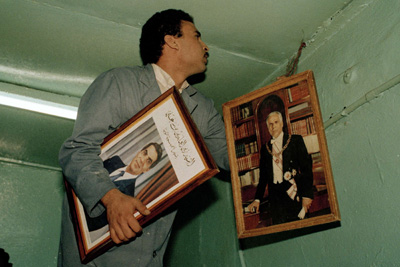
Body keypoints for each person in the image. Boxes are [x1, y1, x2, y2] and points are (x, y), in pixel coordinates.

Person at [58, 9, 229, 266]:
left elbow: (230, 156)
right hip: (96, 258)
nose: (205, 46)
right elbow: (77, 151)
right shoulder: (119, 83)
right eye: (197, 36)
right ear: (172, 40)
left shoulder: (202, 109)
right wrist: (112, 197)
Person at [247, 111, 313, 224]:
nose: (273, 126)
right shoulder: (265, 148)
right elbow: (263, 178)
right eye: (270, 124)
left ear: (282, 124)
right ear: (267, 127)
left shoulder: (295, 141)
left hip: (293, 193)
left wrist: (307, 195)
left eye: (276, 122)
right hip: (275, 199)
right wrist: (257, 199)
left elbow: (306, 169)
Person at [86, 142, 163, 232]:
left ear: (147, 170)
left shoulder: (128, 197)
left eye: (148, 161)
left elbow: (93, 223)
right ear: (139, 152)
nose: (142, 160)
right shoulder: (115, 160)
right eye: (145, 153)